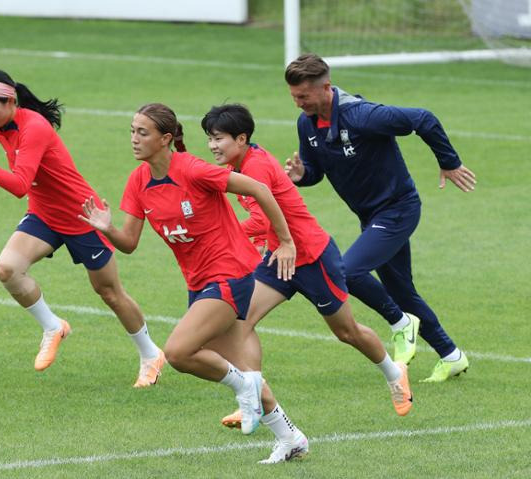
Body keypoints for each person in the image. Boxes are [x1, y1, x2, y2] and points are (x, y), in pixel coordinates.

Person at [78, 102, 307, 464]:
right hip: (199, 281)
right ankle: (290, 436)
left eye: (143, 132)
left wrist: (285, 241)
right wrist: (107, 228)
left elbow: (261, 190)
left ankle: (244, 388)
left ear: (166, 138)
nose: (134, 139)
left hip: (231, 272)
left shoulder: (194, 170)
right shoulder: (138, 181)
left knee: (179, 352)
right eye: (132, 131)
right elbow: (130, 243)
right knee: (240, 368)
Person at [201, 104, 413, 442]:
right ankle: (253, 396)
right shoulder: (246, 160)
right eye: (210, 139)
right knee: (239, 324)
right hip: (279, 258)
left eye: (219, 139)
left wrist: (219, 239)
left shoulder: (253, 168)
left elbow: (259, 220)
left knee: (347, 332)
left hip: (312, 257)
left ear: (241, 139)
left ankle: (394, 372)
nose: (212, 146)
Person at [0, 69, 165, 387]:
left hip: (82, 216)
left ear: (10, 101)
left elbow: (19, 184)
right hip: (44, 214)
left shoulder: (34, 128)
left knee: (109, 293)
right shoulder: (3, 126)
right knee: (8, 269)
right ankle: (54, 327)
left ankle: (151, 354)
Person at [284, 54, 476, 382]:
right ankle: (451, 355)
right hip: (370, 216)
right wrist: (302, 174)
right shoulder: (308, 123)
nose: (298, 103)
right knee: (401, 290)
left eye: (304, 96)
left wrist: (449, 161)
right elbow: (317, 170)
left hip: (398, 209)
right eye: (294, 97)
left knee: (347, 271)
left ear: (326, 88)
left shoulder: (363, 115)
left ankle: (401, 324)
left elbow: (423, 119)